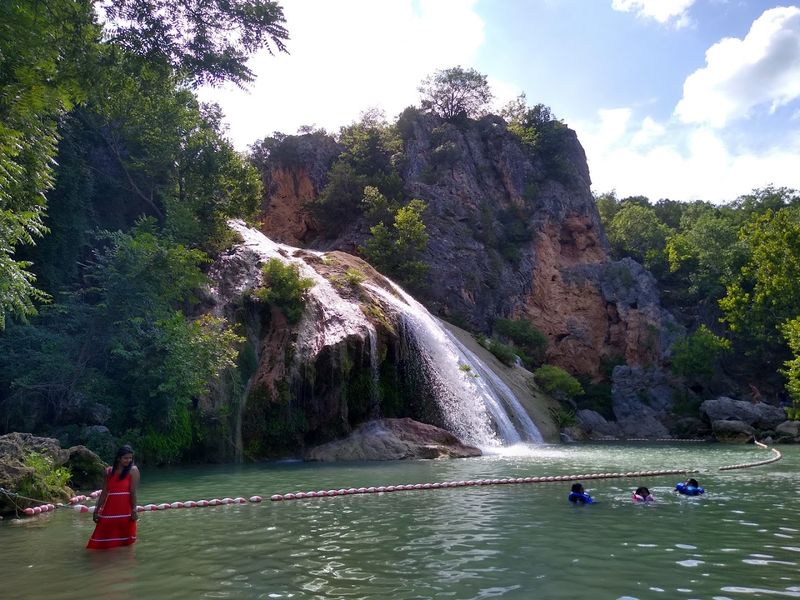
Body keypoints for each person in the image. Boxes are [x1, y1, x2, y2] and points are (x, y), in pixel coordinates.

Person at [87, 445, 139, 549]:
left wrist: (134, 510)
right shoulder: (109, 471)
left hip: (126, 512)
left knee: (126, 545)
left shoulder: (133, 470)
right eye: (125, 458)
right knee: (99, 543)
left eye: (130, 458)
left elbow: (133, 492)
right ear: (118, 458)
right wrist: (96, 510)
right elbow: (104, 493)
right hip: (109, 511)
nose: (128, 460)